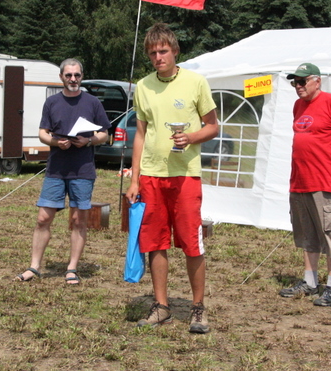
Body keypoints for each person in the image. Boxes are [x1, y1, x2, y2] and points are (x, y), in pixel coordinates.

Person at [126, 22, 218, 334]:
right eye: (152, 53)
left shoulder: (196, 82)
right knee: (155, 242)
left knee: (192, 242)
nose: (158, 57)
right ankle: (161, 306)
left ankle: (198, 308)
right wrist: (135, 179)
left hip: (185, 175)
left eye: (163, 51)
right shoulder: (143, 86)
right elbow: (140, 135)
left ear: (175, 51)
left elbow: (213, 126)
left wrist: (190, 137)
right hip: (152, 176)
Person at [16, 58, 111, 285]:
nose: (73, 79)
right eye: (68, 75)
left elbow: (104, 133)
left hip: (83, 170)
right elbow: (43, 133)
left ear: (82, 76)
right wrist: (56, 142)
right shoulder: (52, 102)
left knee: (79, 220)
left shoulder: (92, 102)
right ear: (61, 77)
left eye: (77, 75)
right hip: (56, 170)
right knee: (43, 218)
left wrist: (88, 141)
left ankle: (72, 269)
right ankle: (34, 267)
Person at [278, 63, 331, 306]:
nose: (298, 86)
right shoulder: (298, 106)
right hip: (300, 181)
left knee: (329, 233)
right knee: (307, 234)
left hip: (325, 182)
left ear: (317, 81)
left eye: (302, 81)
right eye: (295, 82)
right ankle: (310, 282)